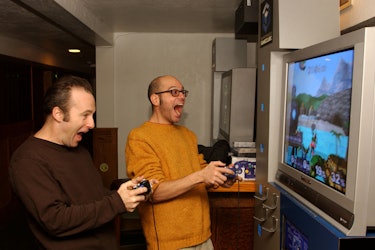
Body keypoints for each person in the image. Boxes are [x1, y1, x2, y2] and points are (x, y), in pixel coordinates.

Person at [9, 75, 150, 250]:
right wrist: (116, 202)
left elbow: (91, 198)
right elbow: (55, 220)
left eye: (92, 115)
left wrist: (126, 194)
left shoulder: (80, 151)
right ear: (58, 114)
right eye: (85, 115)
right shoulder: (28, 160)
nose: (91, 124)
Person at [125, 75, 242, 249]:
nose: (182, 96)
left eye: (183, 92)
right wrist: (202, 176)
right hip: (171, 243)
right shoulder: (139, 138)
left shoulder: (187, 135)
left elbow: (200, 172)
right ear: (155, 99)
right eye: (174, 92)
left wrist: (220, 176)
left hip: (204, 237)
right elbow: (153, 192)